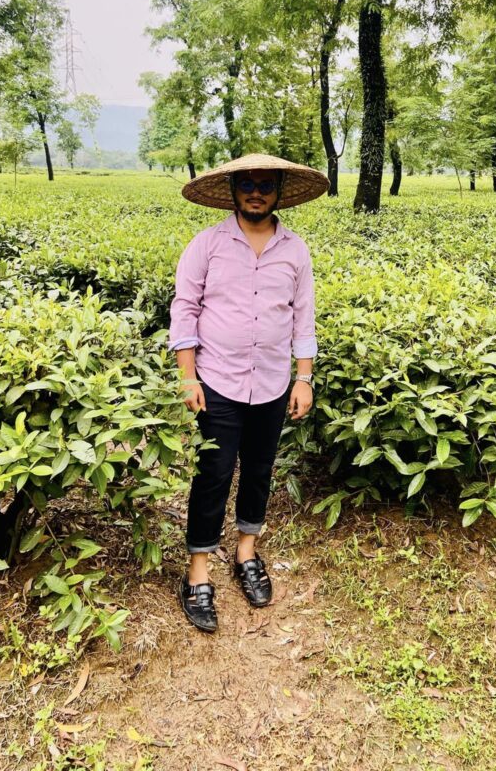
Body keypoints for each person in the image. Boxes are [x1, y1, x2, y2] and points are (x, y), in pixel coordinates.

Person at [168, 152, 329, 633]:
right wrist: (188, 376)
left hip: (275, 381)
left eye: (265, 184)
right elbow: (185, 309)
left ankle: (246, 553)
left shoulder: (295, 250)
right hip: (217, 380)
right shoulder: (207, 245)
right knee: (214, 473)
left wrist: (304, 378)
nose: (255, 192)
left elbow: (303, 316)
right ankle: (198, 571)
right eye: (246, 184)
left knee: (259, 470)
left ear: (279, 191)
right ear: (233, 191)